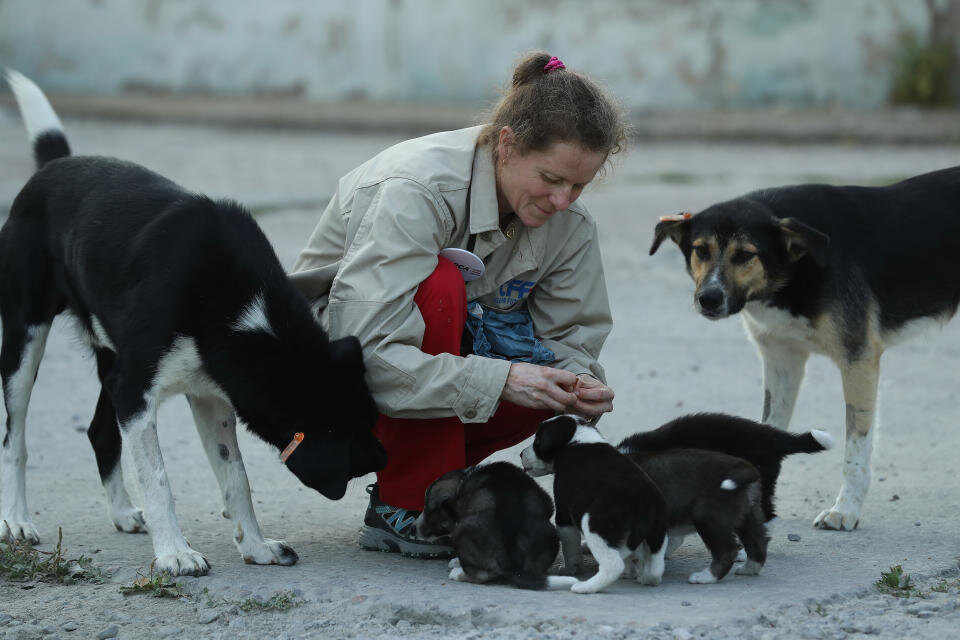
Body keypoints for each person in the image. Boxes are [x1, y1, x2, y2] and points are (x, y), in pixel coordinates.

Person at [289, 51, 625, 558]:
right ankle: (409, 503)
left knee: (554, 387)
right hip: (338, 382)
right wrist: (505, 378)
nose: (564, 201)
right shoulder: (415, 190)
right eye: (552, 180)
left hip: (430, 377)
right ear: (507, 145)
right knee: (441, 284)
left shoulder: (570, 226)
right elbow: (371, 354)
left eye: (579, 185)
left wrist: (578, 386)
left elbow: (572, 340)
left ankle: (439, 488)